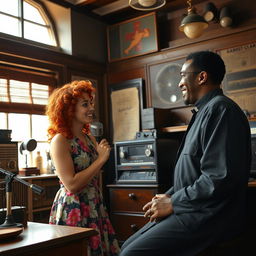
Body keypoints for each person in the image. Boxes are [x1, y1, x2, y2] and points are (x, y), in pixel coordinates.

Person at [120, 51, 252, 256]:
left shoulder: (221, 110)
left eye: (183, 75)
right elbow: (193, 176)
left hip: (209, 216)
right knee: (125, 246)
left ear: (202, 77)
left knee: (131, 254)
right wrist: (168, 196)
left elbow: (218, 179)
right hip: (191, 209)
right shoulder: (205, 111)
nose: (180, 83)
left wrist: (173, 202)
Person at [46, 80, 120, 256]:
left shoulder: (89, 138)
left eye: (91, 103)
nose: (91, 108)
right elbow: (71, 185)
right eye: (85, 104)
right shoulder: (60, 140)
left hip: (94, 204)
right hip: (74, 207)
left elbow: (94, 176)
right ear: (69, 109)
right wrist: (101, 159)